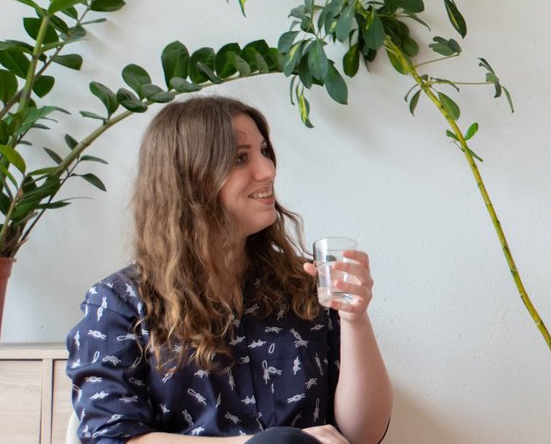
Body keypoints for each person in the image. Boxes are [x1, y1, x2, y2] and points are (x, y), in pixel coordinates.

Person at [66, 97, 393, 444]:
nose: (268, 170)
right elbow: (111, 437)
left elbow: (364, 436)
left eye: (264, 151)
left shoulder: (304, 286)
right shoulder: (119, 304)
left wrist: (355, 319)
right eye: (240, 158)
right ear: (190, 178)